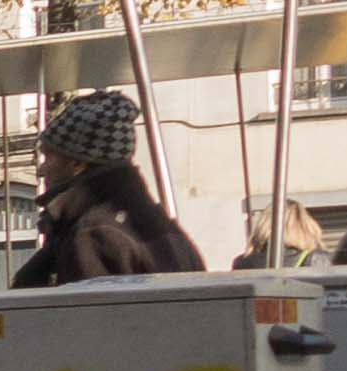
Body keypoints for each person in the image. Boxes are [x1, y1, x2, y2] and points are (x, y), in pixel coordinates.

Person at [10, 91, 203, 288]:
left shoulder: (95, 235)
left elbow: (87, 308)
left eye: (49, 157)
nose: (41, 170)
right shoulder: (159, 224)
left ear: (77, 164)